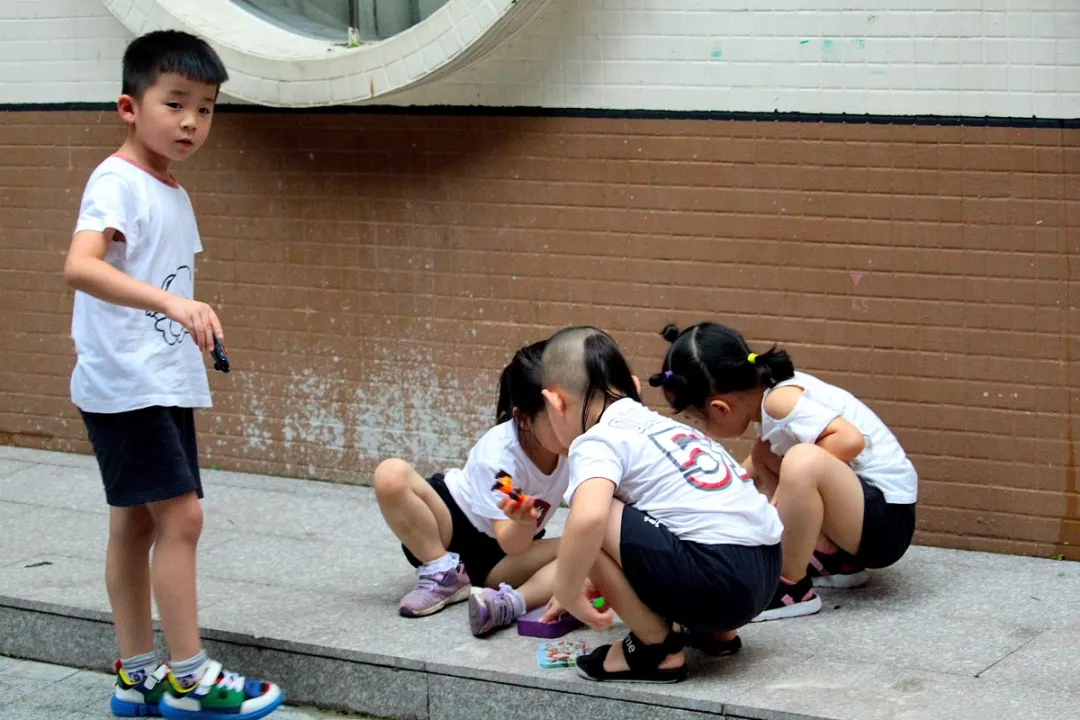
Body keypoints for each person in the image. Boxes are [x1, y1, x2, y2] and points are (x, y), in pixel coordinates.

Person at [63, 30, 283, 719]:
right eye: (175, 103)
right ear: (129, 107)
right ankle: (190, 680)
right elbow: (81, 266)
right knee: (182, 518)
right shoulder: (116, 181)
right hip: (127, 382)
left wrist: (186, 315)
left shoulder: (170, 190)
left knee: (135, 526)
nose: (192, 121)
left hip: (153, 379)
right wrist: (173, 304)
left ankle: (138, 677)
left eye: (206, 109)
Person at [539, 326, 783, 683]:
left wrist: (567, 586)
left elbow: (589, 520)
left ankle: (654, 647)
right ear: (634, 387)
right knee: (632, 508)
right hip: (766, 571)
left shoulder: (596, 441)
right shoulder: (662, 427)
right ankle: (713, 632)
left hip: (719, 584)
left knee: (590, 512)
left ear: (555, 402)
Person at [652, 322, 918, 621]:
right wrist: (712, 501)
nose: (700, 429)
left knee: (801, 460)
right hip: (864, 515)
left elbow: (849, 440)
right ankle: (835, 562)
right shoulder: (768, 396)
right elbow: (747, 474)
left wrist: (790, 487)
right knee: (764, 454)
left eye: (695, 420)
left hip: (887, 522)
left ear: (719, 408)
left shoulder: (780, 401)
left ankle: (790, 588)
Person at [373, 340, 570, 636]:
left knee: (590, 548)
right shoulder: (499, 459)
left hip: (500, 560)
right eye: (558, 415)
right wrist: (523, 522)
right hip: (448, 526)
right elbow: (511, 540)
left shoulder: (577, 446)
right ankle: (441, 569)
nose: (573, 422)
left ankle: (507, 604)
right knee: (390, 474)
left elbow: (514, 547)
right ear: (524, 419)